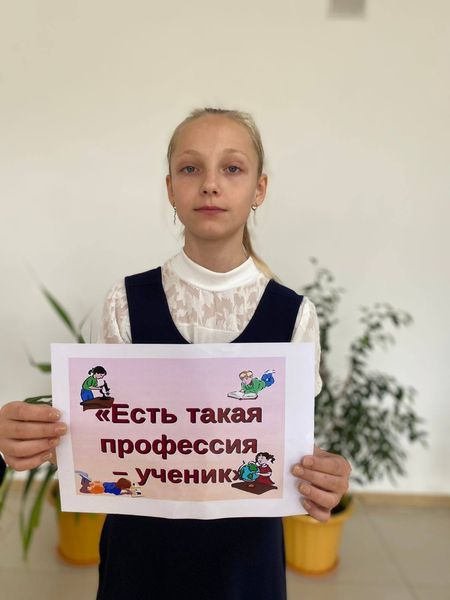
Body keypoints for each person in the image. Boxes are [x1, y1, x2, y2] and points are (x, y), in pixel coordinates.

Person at [0, 107, 351, 599]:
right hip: (140, 556)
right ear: (170, 188)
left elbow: (293, 450)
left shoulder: (295, 316)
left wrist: (324, 476)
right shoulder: (124, 302)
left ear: (260, 189)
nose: (210, 184)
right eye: (190, 168)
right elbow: (102, 437)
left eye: (232, 168)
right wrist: (27, 439)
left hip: (245, 561)